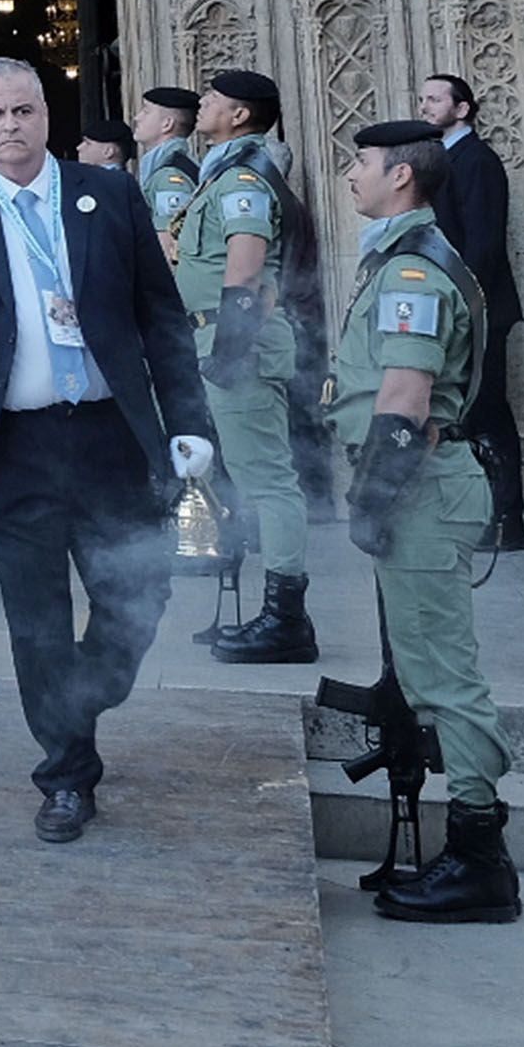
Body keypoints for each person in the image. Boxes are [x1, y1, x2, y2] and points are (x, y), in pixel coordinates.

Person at [0, 58, 214, 843]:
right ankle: (66, 774)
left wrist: (189, 421)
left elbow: (160, 316)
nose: (10, 126)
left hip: (108, 437)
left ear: (47, 114)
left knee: (137, 598)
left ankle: (85, 691)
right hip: (9, 447)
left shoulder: (107, 195)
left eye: (24, 110)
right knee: (35, 620)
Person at [334, 119, 519, 923]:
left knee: (444, 675)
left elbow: (404, 401)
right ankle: (464, 849)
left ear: (400, 177)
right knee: (420, 670)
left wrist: (371, 499)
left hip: (415, 485)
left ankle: (480, 859)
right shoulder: (407, 257)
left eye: (361, 163)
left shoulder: (410, 272)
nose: (350, 175)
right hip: (419, 483)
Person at [182, 69, 321, 663]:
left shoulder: (242, 179)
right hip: (215, 338)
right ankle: (248, 607)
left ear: (240, 115)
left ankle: (287, 618)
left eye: (213, 98)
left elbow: (243, 269)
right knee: (236, 474)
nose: (203, 103)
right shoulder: (223, 173)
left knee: (268, 480)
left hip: (238, 341)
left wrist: (229, 352)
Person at [421, 72, 524, 550]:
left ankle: (506, 520)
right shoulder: (444, 159)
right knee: (465, 410)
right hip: (460, 307)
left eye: (435, 99)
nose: (425, 106)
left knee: (488, 410)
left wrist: (464, 303)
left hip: (478, 307)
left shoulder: (476, 160)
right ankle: (478, 513)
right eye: (422, 98)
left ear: (462, 109)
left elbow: (483, 243)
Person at [132, 86, 203, 260]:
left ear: (167, 124)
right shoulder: (162, 166)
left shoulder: (170, 175)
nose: (137, 118)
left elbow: (169, 242)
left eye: (146, 111)